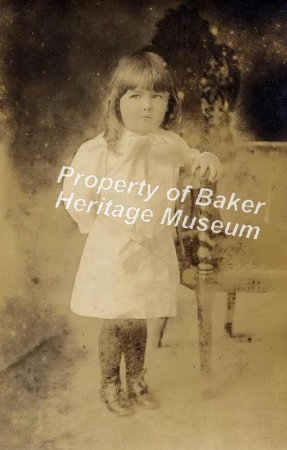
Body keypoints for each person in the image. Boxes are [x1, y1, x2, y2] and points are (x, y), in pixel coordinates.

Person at [62, 51, 222, 416]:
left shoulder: (170, 143)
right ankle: (110, 383)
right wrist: (102, 228)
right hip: (114, 250)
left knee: (141, 317)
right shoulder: (98, 151)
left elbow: (192, 158)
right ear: (116, 101)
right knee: (117, 319)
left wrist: (206, 159)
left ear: (169, 103)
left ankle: (136, 378)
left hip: (153, 248)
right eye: (135, 96)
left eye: (157, 97)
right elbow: (77, 198)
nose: (147, 106)